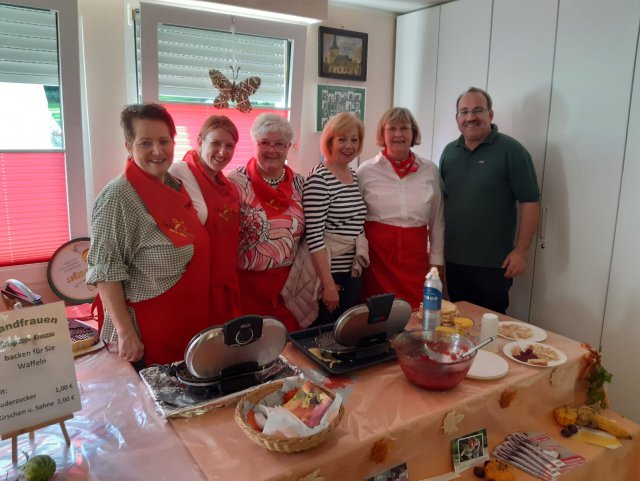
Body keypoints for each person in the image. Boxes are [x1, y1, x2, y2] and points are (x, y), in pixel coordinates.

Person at [87, 103, 211, 368]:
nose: (157, 151)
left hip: (184, 325)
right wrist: (125, 333)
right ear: (129, 146)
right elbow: (105, 271)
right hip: (146, 334)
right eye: (145, 143)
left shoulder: (172, 185)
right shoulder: (118, 197)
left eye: (164, 141)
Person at [439, 87, 540, 314]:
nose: (470, 117)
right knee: (456, 322)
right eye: (464, 112)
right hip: (454, 260)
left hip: (494, 264)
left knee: (490, 326)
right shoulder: (449, 152)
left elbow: (530, 202)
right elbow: (443, 204)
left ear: (490, 115)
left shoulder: (512, 151)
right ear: (457, 118)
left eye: (478, 110)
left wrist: (521, 251)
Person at [283, 112, 368, 327]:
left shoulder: (354, 175)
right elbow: (315, 236)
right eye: (342, 139)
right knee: (323, 336)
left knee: (345, 333)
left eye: (354, 139)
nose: (349, 145)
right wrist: (329, 285)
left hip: (352, 269)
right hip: (330, 273)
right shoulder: (319, 179)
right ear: (329, 141)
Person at [357, 107, 444, 309]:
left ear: (413, 133)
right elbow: (356, 219)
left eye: (404, 128)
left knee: (415, 313)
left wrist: (436, 262)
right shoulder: (366, 171)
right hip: (377, 262)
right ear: (382, 133)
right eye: (392, 129)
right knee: (378, 314)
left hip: (416, 260)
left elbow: (437, 220)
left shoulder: (430, 170)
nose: (398, 134)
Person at [228, 113, 304, 332]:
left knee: (288, 348)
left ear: (289, 146)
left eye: (279, 144)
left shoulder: (301, 183)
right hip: (246, 286)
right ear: (255, 144)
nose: (272, 150)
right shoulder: (235, 182)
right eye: (265, 143)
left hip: (289, 286)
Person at [169, 115, 240, 325]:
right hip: (195, 283)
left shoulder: (228, 186)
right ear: (200, 141)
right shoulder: (178, 174)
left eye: (229, 146)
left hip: (224, 283)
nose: (222, 152)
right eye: (216, 143)